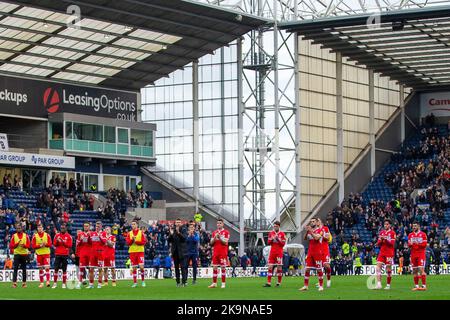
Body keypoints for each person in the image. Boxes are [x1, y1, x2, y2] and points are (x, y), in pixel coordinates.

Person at [299, 218, 324, 291]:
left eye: (313, 221)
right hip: (310, 252)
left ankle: (321, 286)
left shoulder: (320, 230)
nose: (312, 223)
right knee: (307, 269)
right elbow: (305, 238)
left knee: (319, 269)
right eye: (311, 222)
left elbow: (316, 238)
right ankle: (305, 286)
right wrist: (307, 232)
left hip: (317, 252)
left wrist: (310, 231)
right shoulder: (310, 231)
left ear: (316, 222)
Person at [375, 219, 396, 290]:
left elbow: (392, 244)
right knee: (378, 267)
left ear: (389, 225)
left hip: (389, 253)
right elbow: (378, 243)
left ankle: (388, 285)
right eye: (385, 224)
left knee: (388, 269)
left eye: (387, 224)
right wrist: (379, 241)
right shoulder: (381, 232)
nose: (386, 225)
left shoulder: (392, 233)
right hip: (382, 252)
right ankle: (379, 284)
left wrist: (385, 239)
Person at [208, 218, 230, 289]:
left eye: (220, 223)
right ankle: (214, 283)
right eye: (218, 223)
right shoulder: (214, 232)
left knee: (223, 267)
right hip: (215, 252)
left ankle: (223, 283)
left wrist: (220, 237)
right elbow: (211, 244)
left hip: (223, 253)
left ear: (223, 224)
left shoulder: (226, 232)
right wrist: (214, 238)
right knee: (214, 268)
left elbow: (225, 243)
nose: (219, 224)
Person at [264, 221, 286, 287]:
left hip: (279, 252)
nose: (275, 227)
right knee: (270, 266)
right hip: (272, 252)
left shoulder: (282, 234)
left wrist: (278, 239)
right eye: (274, 226)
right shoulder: (271, 233)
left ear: (279, 226)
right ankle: (268, 282)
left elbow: (283, 244)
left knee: (279, 267)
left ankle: (278, 282)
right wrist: (272, 239)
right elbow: (268, 242)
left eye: (276, 226)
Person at [126, 220, 147, 287]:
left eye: (134, 224)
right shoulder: (129, 233)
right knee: (134, 268)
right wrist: (132, 240)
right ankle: (135, 282)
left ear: (137, 225)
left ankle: (143, 281)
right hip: (132, 252)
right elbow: (128, 243)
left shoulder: (141, 233)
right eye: (132, 224)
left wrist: (136, 241)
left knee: (141, 267)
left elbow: (144, 242)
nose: (133, 225)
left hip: (140, 251)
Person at [9, 223, 31, 288]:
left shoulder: (26, 236)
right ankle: (14, 283)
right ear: (16, 229)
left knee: (24, 269)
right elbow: (11, 246)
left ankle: (24, 283)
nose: (18, 229)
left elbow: (29, 246)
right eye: (17, 228)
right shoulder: (14, 236)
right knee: (15, 269)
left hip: (24, 254)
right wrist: (17, 244)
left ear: (22, 229)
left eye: (19, 228)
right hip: (17, 254)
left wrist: (23, 246)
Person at [168, 219, 188, 287]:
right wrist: (170, 234)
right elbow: (169, 240)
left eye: (179, 222)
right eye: (177, 222)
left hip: (182, 252)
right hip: (175, 252)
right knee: (176, 268)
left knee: (183, 267)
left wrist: (179, 233)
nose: (178, 223)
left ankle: (184, 282)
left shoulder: (184, 229)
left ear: (181, 223)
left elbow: (184, 239)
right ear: (175, 223)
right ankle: (178, 282)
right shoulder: (172, 229)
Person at [52, 223, 73, 289]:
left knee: (64, 270)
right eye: (61, 228)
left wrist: (62, 241)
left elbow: (69, 245)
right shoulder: (57, 235)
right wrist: (58, 241)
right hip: (58, 254)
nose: (62, 229)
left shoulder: (69, 236)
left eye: (63, 228)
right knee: (56, 269)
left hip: (65, 255)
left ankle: (64, 283)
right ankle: (55, 283)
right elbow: (54, 244)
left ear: (66, 228)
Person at [408, 221, 428, 291]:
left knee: (421, 269)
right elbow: (409, 245)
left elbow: (425, 245)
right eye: (413, 226)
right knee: (415, 270)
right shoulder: (410, 235)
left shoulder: (423, 234)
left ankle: (424, 286)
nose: (414, 227)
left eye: (415, 226)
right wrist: (411, 244)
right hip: (413, 254)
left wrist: (417, 243)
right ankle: (416, 286)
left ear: (418, 226)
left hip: (421, 254)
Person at [32, 223, 52, 288]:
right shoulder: (35, 236)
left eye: (41, 227)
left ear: (43, 228)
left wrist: (45, 244)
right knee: (40, 269)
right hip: (39, 254)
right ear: (37, 229)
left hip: (46, 253)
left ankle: (48, 281)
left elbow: (50, 244)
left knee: (47, 268)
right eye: (38, 228)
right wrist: (40, 245)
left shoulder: (47, 235)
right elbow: (33, 246)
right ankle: (41, 283)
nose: (40, 229)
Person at [88, 221, 107, 289]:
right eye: (96, 226)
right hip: (93, 253)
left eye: (99, 226)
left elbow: (104, 242)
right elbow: (89, 243)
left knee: (100, 269)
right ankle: (91, 284)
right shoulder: (92, 233)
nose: (97, 227)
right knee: (91, 269)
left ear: (101, 226)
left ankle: (99, 283)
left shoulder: (104, 233)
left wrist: (100, 237)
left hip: (100, 253)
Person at [76, 222, 91, 289]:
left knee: (91, 268)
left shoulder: (91, 234)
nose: (86, 227)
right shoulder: (80, 234)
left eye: (87, 226)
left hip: (90, 253)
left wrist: (89, 238)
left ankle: (91, 284)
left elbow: (93, 244)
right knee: (81, 268)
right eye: (85, 226)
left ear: (89, 227)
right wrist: (81, 240)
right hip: (82, 253)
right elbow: (77, 245)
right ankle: (79, 283)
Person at [318, 218, 332, 288]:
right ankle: (320, 282)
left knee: (327, 266)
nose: (317, 222)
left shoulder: (325, 228)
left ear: (321, 222)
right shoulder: (315, 230)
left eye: (318, 220)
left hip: (325, 249)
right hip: (317, 250)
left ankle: (329, 279)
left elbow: (328, 238)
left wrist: (322, 235)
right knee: (319, 267)